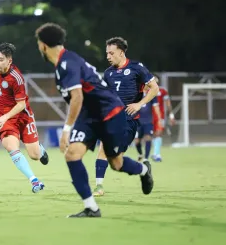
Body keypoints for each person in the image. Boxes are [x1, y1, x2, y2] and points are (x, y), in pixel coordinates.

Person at [35, 23, 154, 218]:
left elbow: (77, 97)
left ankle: (142, 170)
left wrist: (66, 129)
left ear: (43, 45)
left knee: (116, 163)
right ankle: (91, 207)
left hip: (110, 113)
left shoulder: (67, 63)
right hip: (90, 116)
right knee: (72, 155)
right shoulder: (61, 65)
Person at [93, 37, 160, 197]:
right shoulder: (108, 73)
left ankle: (143, 170)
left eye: (111, 53)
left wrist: (139, 104)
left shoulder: (137, 68)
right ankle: (99, 186)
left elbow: (154, 88)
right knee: (103, 149)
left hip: (129, 120)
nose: (108, 56)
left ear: (121, 53)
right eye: (107, 53)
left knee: (116, 162)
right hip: (112, 119)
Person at [0, 42, 49, 193]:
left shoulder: (16, 78)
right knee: (11, 147)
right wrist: (3, 118)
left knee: (34, 155)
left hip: (23, 116)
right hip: (6, 120)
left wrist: (5, 116)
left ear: (9, 61)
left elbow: (21, 105)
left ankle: (40, 150)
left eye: (1, 59)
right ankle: (34, 181)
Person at [152, 76, 176, 162]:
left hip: (160, 116)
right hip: (149, 116)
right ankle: (154, 152)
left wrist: (171, 115)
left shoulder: (162, 91)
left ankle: (157, 154)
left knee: (159, 133)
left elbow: (168, 104)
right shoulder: (146, 91)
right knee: (153, 134)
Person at [135, 87, 162, 161]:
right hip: (137, 122)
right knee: (137, 141)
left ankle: (146, 158)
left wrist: (159, 119)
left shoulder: (151, 94)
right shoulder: (136, 93)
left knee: (148, 138)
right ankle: (140, 154)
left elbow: (156, 107)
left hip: (148, 121)